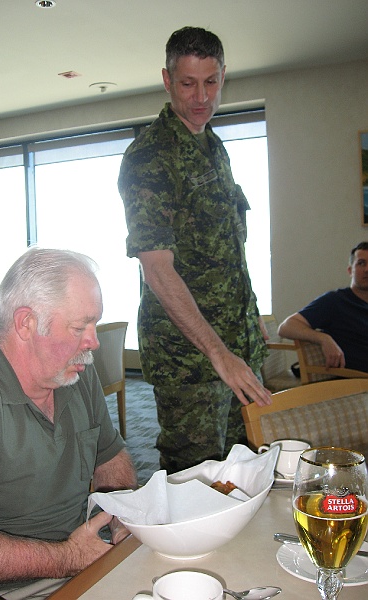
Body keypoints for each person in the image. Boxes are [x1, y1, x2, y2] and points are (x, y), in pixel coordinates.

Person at [0, 247, 137, 600]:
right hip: (5, 588)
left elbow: (110, 455)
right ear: (26, 324)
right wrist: (67, 558)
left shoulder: (74, 373)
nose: (94, 342)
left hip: (85, 558)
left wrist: (124, 516)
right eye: (79, 327)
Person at [118, 26, 271, 474]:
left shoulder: (213, 147)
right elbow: (157, 270)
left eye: (211, 82)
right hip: (189, 359)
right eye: (187, 83)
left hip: (238, 342)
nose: (201, 97)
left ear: (223, 76)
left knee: (248, 464)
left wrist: (249, 315)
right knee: (197, 478)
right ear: (167, 80)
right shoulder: (150, 157)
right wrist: (219, 355)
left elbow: (227, 248)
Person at [278, 241, 368, 372]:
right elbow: (286, 327)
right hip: (356, 380)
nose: (367, 269)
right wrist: (324, 339)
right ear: (350, 270)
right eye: (361, 263)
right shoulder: (335, 301)